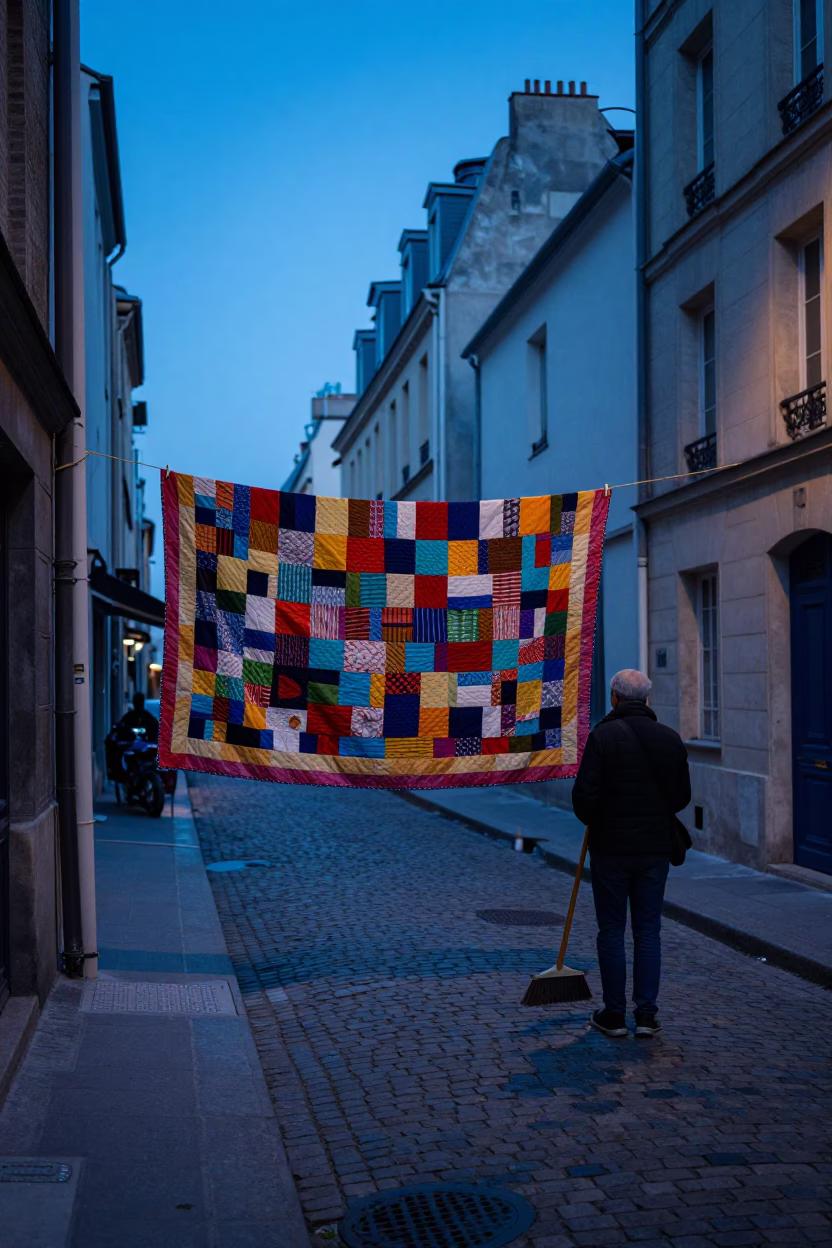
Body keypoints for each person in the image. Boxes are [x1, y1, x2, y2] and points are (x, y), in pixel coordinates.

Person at [571, 668, 691, 1038]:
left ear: (615, 698)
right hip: (654, 848)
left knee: (611, 930)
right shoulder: (670, 739)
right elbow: (681, 797)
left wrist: (600, 815)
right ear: (647, 699)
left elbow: (584, 799)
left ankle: (613, 1013)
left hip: (611, 848)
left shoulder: (603, 737)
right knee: (648, 931)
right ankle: (646, 1015)